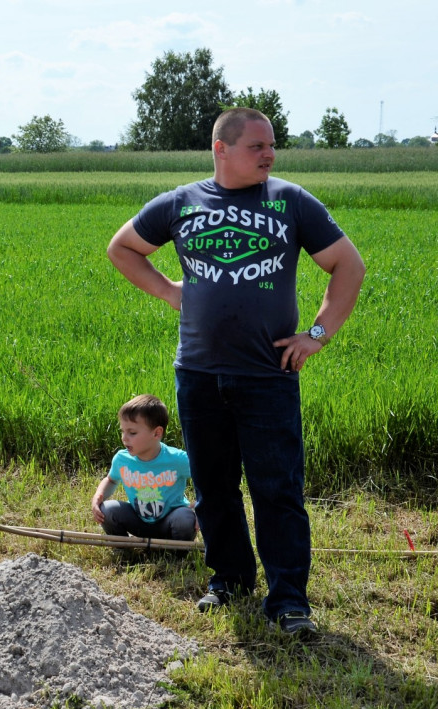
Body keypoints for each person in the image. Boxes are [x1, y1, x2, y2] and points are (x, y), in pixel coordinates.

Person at [105, 108, 365, 638]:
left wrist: (316, 336)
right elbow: (122, 248)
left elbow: (348, 265)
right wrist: (168, 291)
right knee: (215, 487)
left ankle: (289, 599)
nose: (270, 155)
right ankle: (229, 580)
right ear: (221, 148)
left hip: (267, 375)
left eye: (273, 146)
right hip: (199, 373)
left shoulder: (289, 202)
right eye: (257, 147)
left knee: (277, 489)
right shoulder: (181, 203)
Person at [90, 394, 197, 542]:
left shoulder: (177, 459)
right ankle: (123, 549)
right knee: (108, 510)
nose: (124, 438)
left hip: (171, 521)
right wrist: (98, 496)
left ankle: (176, 556)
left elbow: (207, 479)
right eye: (123, 431)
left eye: (132, 432)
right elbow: (111, 480)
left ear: (156, 433)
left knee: (185, 518)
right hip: (138, 521)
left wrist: (201, 506)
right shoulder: (122, 459)